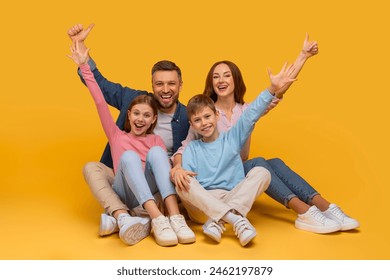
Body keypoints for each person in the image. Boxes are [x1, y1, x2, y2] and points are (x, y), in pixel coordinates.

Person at [172, 36, 360, 234]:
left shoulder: (244, 111)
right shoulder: (204, 112)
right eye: (216, 77)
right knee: (261, 162)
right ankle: (302, 210)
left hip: (236, 174)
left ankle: (324, 206)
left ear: (235, 80)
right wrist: (177, 167)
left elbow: (277, 89)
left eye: (226, 75)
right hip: (216, 176)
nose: (221, 80)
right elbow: (186, 147)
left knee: (274, 164)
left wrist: (302, 57)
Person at [67, 23, 194, 244]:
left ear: (181, 85)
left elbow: (208, 128)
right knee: (118, 160)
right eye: (159, 84)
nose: (165, 89)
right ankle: (131, 217)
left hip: (158, 183)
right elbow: (100, 95)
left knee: (158, 154)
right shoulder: (121, 126)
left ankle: (168, 217)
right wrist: (83, 58)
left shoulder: (185, 118)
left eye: (171, 84)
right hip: (124, 181)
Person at [176, 63, 296, 246]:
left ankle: (218, 222)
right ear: (192, 125)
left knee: (263, 172)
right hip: (204, 206)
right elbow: (193, 188)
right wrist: (178, 170)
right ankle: (236, 220)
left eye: (207, 117)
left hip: (232, 196)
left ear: (217, 116)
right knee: (183, 183)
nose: (204, 123)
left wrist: (272, 88)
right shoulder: (192, 149)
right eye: (197, 120)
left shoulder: (232, 138)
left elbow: (251, 114)